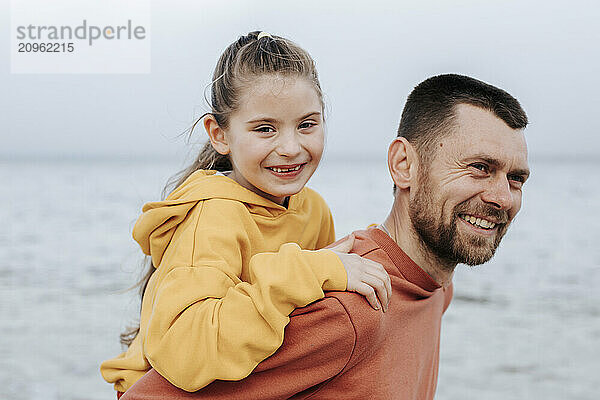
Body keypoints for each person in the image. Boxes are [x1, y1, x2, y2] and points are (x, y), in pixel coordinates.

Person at [120, 73, 530, 400]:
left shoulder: (436, 289)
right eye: (478, 167)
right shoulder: (352, 310)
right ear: (403, 164)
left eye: (516, 178)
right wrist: (307, 273)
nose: (500, 197)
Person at [100, 31, 392, 397]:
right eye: (265, 129)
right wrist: (310, 270)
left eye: (306, 124)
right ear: (219, 135)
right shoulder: (211, 217)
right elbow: (184, 352)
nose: (290, 147)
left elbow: (311, 318)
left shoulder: (313, 209)